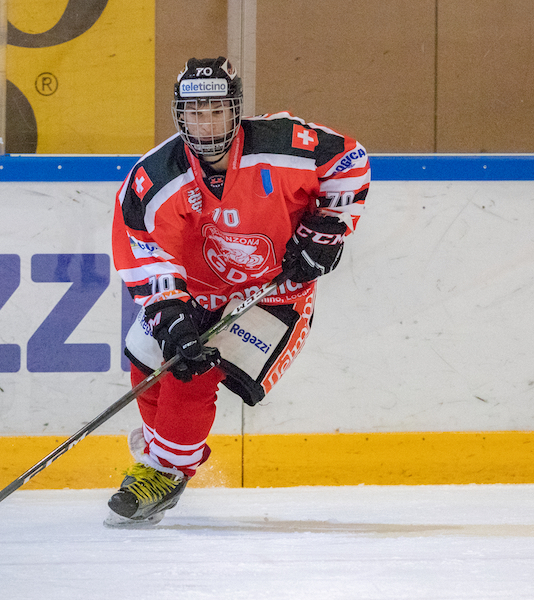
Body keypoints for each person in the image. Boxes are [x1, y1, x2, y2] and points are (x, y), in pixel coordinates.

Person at [106, 56, 370, 527]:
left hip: (273, 291)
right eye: (195, 112)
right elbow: (144, 246)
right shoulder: (156, 175)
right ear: (179, 115)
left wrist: (326, 230)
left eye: (217, 110)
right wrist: (170, 311)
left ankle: (165, 471)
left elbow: (349, 161)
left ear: (236, 110)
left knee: (193, 372)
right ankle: (163, 451)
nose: (207, 123)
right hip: (197, 288)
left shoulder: (283, 145)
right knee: (149, 361)